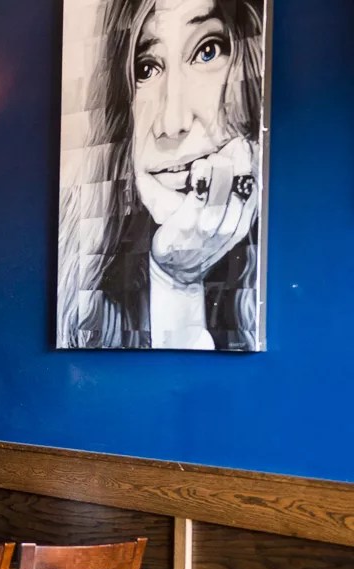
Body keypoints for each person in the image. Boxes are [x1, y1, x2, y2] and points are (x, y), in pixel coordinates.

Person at [57, 0, 264, 350]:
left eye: (207, 51)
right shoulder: (81, 297)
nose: (172, 123)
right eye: (147, 68)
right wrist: (176, 281)